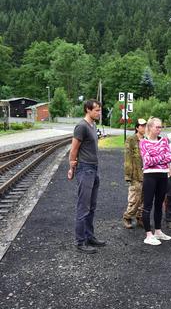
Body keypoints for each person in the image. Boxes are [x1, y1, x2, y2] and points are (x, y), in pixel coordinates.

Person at [68, 99, 106, 254]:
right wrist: (71, 168)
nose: (99, 112)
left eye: (99, 110)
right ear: (88, 110)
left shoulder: (93, 125)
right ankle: (80, 241)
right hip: (85, 169)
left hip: (94, 169)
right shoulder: (81, 126)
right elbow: (73, 149)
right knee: (83, 206)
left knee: (92, 206)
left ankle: (90, 236)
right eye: (96, 110)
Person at [139, 117, 171, 245]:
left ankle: (158, 231)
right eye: (157, 127)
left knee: (159, 204)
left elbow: (169, 157)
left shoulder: (164, 141)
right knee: (147, 205)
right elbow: (147, 161)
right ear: (150, 127)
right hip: (150, 176)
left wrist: (156, 158)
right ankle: (148, 234)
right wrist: (161, 157)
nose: (160, 129)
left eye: (160, 127)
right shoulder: (143, 142)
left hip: (163, 175)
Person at [122, 118, 147, 229]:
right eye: (142, 126)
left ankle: (140, 217)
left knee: (144, 198)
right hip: (135, 174)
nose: (144, 128)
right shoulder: (131, 140)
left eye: (145, 126)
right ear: (137, 127)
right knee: (135, 197)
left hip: (146, 173)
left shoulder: (147, 140)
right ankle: (127, 217)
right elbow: (128, 158)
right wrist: (128, 175)